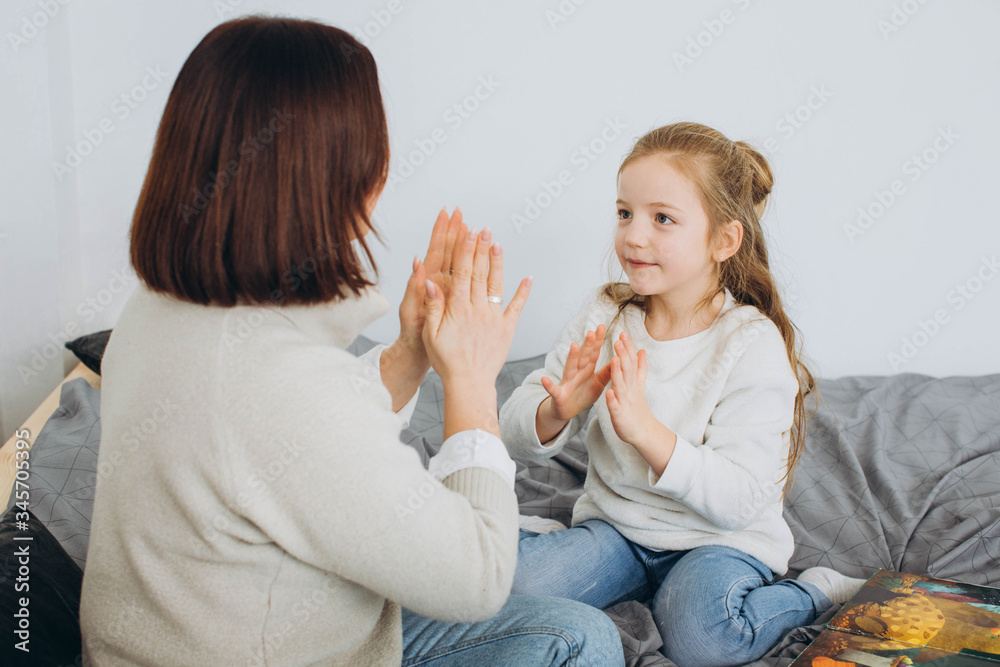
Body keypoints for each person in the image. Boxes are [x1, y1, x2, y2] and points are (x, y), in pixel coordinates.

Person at [78, 15, 624, 666]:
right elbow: (478, 577)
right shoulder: (283, 383)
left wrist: (408, 353)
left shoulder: (154, 311)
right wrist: (472, 380)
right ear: (342, 177)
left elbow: (288, 455)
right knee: (584, 641)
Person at [498, 122, 869, 667]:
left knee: (704, 640)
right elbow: (515, 433)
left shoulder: (749, 343)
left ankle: (814, 591)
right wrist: (555, 409)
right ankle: (568, 552)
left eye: (662, 219)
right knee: (506, 590)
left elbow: (742, 498)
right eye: (625, 213)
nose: (634, 236)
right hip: (616, 528)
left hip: (719, 538)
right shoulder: (606, 314)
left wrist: (649, 436)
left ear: (724, 240)